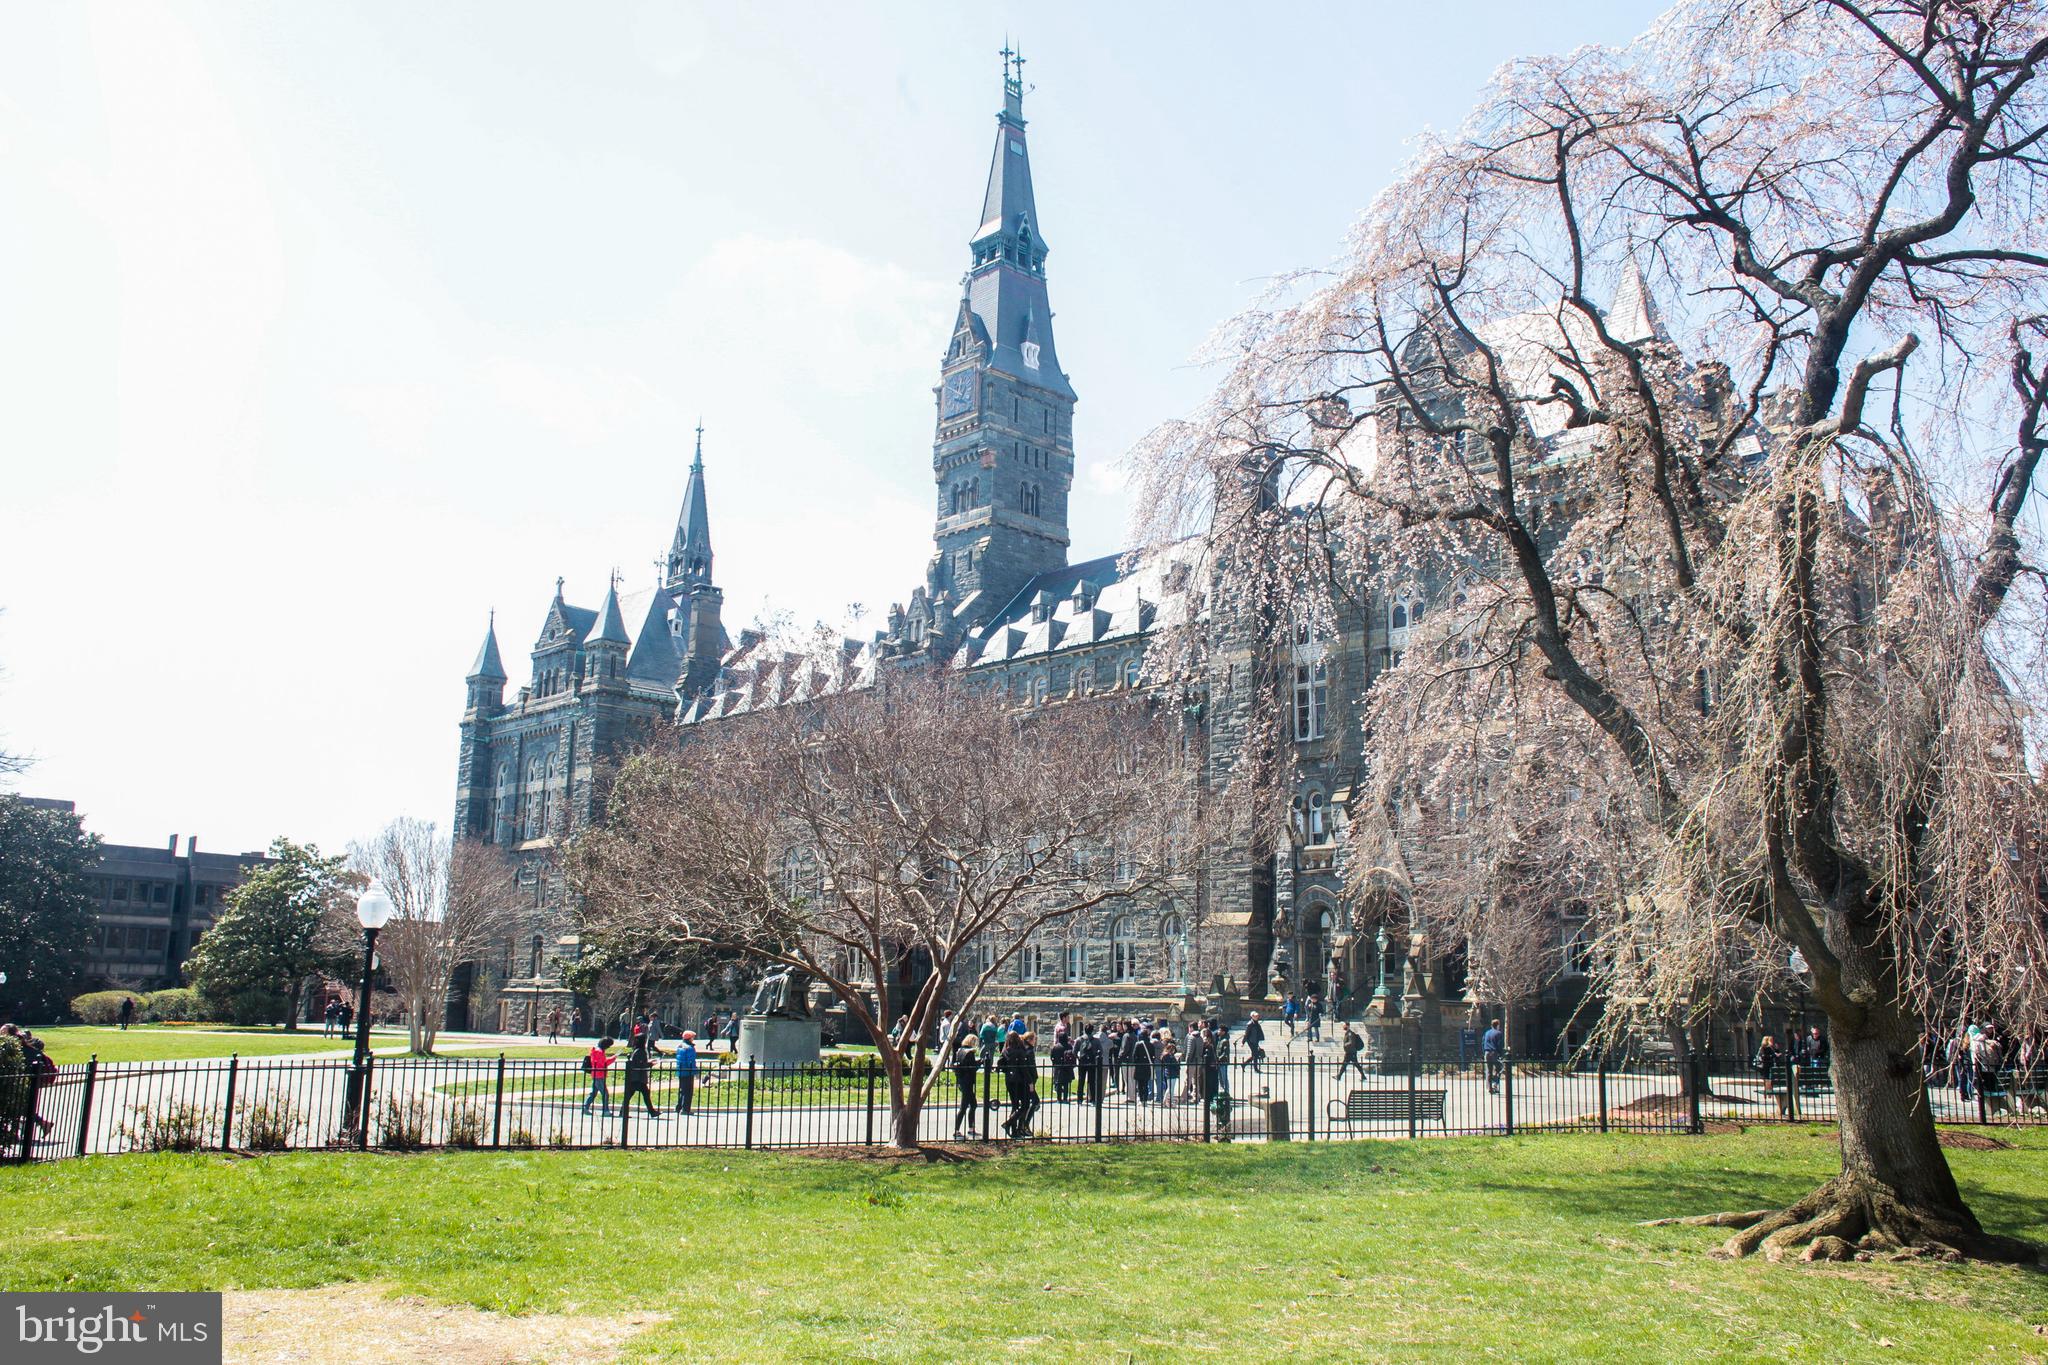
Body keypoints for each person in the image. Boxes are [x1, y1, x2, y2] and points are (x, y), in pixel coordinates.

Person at [1001, 1030, 1040, 1138]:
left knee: (1015, 1105)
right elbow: (1024, 1069)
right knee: (1025, 1105)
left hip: (1009, 1080)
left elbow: (1001, 1064)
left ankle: (1015, 1131)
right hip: (1020, 1081)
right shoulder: (1020, 1051)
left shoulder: (1005, 1051)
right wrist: (1030, 1082)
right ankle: (1010, 1124)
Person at [950, 1034, 981, 1138]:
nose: (975, 1045)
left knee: (973, 1104)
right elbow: (972, 1068)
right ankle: (956, 1130)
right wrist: (980, 1063)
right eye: (975, 1042)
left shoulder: (960, 1051)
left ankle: (971, 1128)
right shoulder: (970, 1052)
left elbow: (964, 1064)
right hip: (968, 1082)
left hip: (962, 1080)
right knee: (964, 1107)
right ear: (971, 1042)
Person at [621, 1035, 659, 1120]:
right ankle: (652, 1112)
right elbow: (640, 1064)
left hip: (635, 1077)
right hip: (638, 1077)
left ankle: (623, 1111)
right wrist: (651, 1064)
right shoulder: (640, 1051)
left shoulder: (637, 1050)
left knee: (630, 1095)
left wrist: (649, 1062)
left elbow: (639, 1062)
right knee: (644, 1094)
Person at [581, 1036, 616, 1117]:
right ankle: (605, 1110)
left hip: (596, 1074)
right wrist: (613, 1059)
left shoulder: (596, 1050)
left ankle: (585, 1107)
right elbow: (603, 1064)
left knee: (593, 1093)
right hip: (599, 1075)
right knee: (605, 1094)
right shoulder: (599, 1052)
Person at [672, 1030, 700, 1115]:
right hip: (688, 1072)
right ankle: (685, 1109)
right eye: (692, 1037)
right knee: (688, 1091)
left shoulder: (680, 1046)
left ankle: (679, 1107)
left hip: (681, 1071)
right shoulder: (690, 1048)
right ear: (690, 1038)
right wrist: (696, 1071)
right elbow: (691, 1061)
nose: (693, 1039)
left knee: (682, 1090)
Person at [1078, 1026, 1106, 1107]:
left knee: (1081, 1081)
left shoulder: (1080, 1040)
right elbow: (1101, 1051)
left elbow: (1074, 1051)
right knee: (1092, 1082)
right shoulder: (1096, 1041)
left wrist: (1078, 1057)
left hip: (1082, 1063)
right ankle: (1093, 1099)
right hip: (1092, 1062)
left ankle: (1079, 1100)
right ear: (1092, 1031)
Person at [1156, 1029, 1181, 1105]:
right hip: (1172, 1072)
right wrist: (1176, 1059)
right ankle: (1169, 1102)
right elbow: (1174, 1064)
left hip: (1168, 1072)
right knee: (1171, 1089)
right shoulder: (1169, 1056)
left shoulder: (1165, 1055)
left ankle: (1165, 1102)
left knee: (1169, 1088)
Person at [1050, 1030, 1075, 1103]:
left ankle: (1059, 1099)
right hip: (1067, 1066)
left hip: (1058, 1067)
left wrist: (1055, 1063)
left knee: (1058, 1083)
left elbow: (1052, 1057)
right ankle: (1065, 1098)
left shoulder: (1055, 1047)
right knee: (1066, 1083)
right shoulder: (1069, 1046)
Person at [1482, 1018, 1505, 1095]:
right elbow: (1500, 1045)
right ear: (1497, 1025)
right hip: (1494, 1052)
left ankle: (1489, 1088)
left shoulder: (1487, 1033)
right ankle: (1495, 1084)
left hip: (1487, 1052)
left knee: (1489, 1070)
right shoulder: (1499, 1033)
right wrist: (1501, 1054)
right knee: (1499, 1068)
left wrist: (1484, 1052)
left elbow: (1483, 1043)